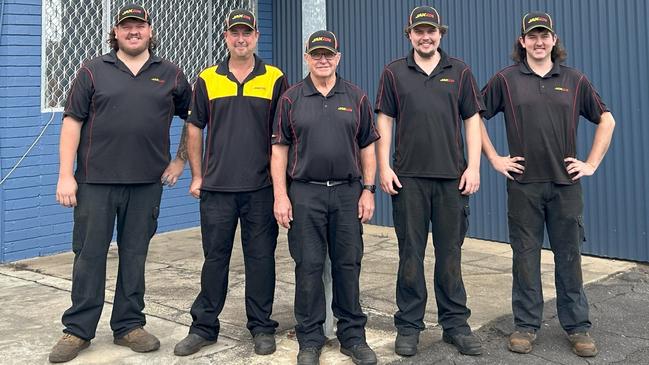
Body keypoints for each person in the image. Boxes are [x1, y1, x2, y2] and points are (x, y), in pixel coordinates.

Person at [49, 4, 191, 363]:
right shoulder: (93, 71)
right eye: (126, 26)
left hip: (146, 183)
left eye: (139, 26)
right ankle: (78, 329)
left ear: (150, 30)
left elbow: (194, 119)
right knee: (89, 255)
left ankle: (129, 325)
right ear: (116, 32)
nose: (133, 32)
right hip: (96, 182)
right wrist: (66, 175)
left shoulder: (171, 74)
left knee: (134, 255)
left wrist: (180, 159)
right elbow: (71, 123)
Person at [480, 11, 615, 358]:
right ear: (522, 42)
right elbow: (473, 115)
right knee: (525, 257)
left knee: (568, 256)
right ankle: (525, 325)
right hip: (523, 185)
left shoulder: (573, 79)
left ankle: (578, 326)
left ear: (554, 41)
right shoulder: (505, 80)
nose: (539, 42)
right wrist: (495, 158)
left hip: (565, 185)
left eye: (545, 36)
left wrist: (591, 163)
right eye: (532, 36)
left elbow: (607, 120)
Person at [173, 9, 288, 357]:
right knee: (215, 260)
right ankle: (204, 326)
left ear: (255, 37)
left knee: (260, 259)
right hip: (218, 190)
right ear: (226, 37)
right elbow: (194, 127)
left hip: (260, 189)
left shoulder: (276, 78)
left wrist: (280, 187)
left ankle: (261, 326)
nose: (241, 39)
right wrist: (196, 175)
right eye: (235, 33)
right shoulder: (208, 78)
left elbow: (282, 135)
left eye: (247, 33)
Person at [374, 5, 484, 357]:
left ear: (441, 34)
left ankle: (455, 325)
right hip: (408, 180)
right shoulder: (394, 72)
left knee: (450, 254)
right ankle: (409, 326)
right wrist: (383, 167)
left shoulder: (460, 71)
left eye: (431, 31)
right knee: (410, 255)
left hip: (452, 179)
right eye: (419, 31)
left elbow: (472, 121)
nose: (425, 36)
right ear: (410, 34)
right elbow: (385, 121)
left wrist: (474, 167)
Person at [271, 30, 380, 365]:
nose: (322, 60)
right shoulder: (291, 98)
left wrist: (368, 190)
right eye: (316, 54)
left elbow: (368, 147)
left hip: (348, 193)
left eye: (328, 54)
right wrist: (281, 196)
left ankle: (352, 336)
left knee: (348, 265)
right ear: (306, 57)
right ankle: (310, 338)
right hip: (305, 193)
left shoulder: (356, 96)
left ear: (338, 58)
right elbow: (278, 151)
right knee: (309, 267)